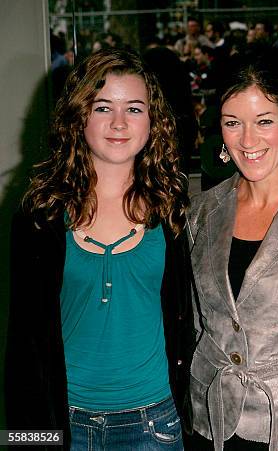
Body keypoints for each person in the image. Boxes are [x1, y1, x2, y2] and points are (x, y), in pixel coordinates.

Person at [5, 48, 196, 449]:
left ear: (152, 121)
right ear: (79, 116)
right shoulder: (40, 216)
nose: (119, 123)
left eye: (135, 109)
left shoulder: (172, 207)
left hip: (154, 426)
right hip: (67, 426)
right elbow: (24, 346)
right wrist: (27, 442)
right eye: (103, 107)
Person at [185, 45, 278, 451]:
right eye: (233, 123)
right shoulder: (202, 211)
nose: (248, 140)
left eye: (264, 121)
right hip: (209, 419)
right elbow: (199, 323)